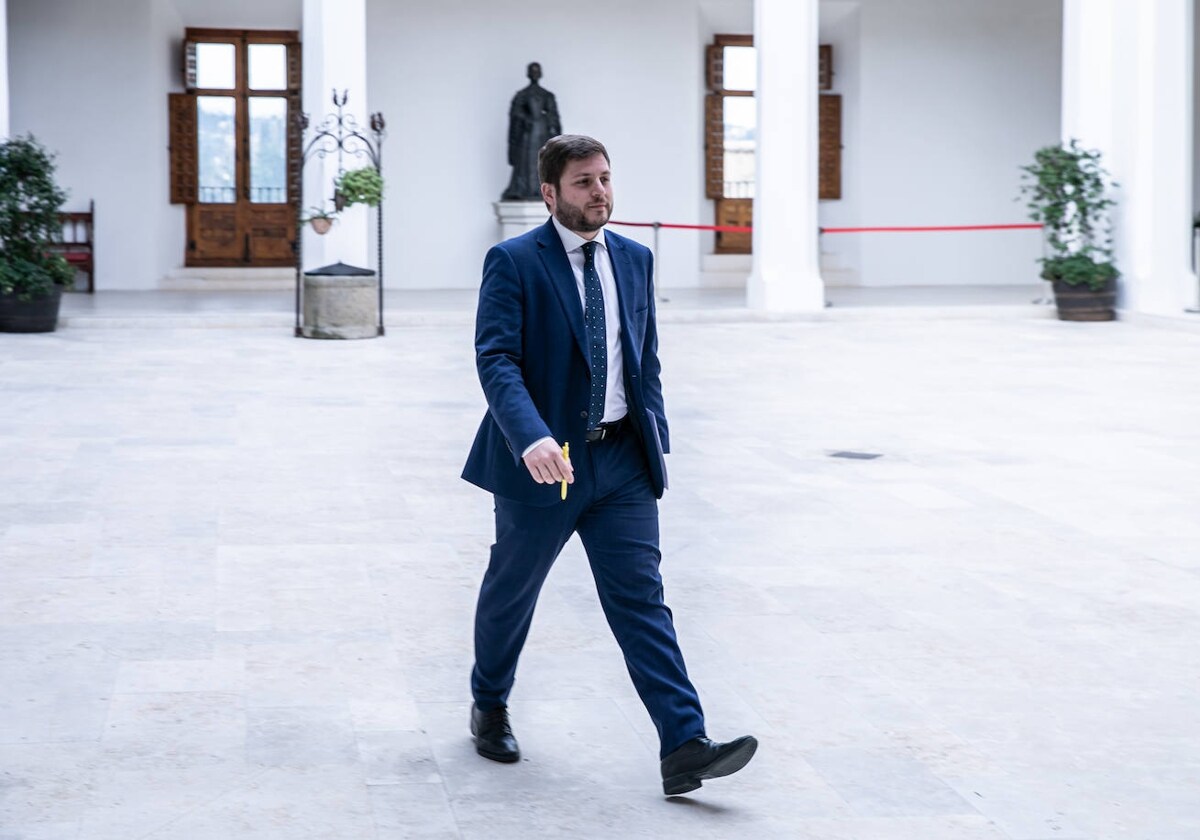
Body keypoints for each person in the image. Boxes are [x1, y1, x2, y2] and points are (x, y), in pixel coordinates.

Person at [462, 134, 757, 796]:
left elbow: (642, 356)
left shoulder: (633, 258)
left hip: (621, 458)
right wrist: (530, 436)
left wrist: (655, 436)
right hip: (547, 461)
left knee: (641, 599)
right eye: (583, 183)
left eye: (604, 179)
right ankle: (490, 702)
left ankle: (683, 743)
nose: (600, 192)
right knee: (513, 591)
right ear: (549, 193)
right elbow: (496, 358)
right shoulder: (514, 262)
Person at [500, 63, 562, 201]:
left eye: (537, 71)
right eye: (532, 71)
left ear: (540, 74)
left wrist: (556, 137)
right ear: (528, 74)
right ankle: (524, 188)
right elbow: (515, 114)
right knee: (525, 162)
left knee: (542, 160)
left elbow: (554, 117)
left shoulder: (547, 95)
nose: (534, 74)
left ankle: (540, 189)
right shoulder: (522, 95)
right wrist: (525, 118)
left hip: (542, 134)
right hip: (527, 136)